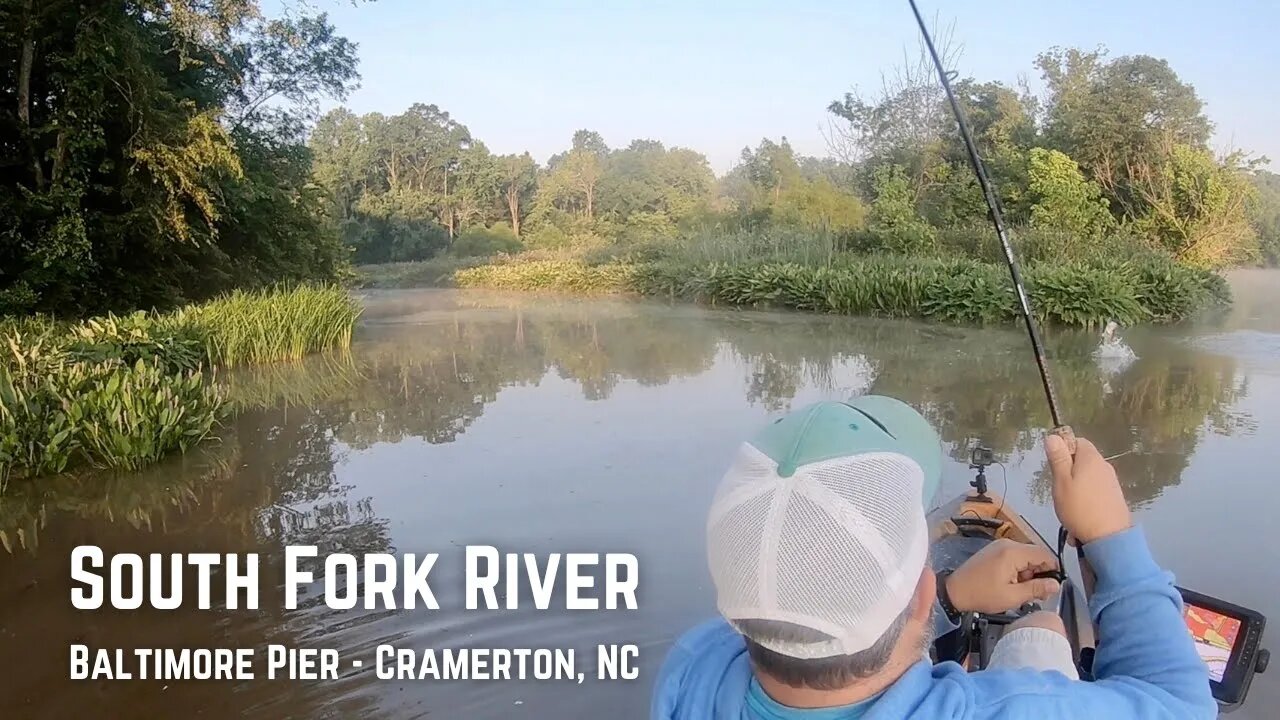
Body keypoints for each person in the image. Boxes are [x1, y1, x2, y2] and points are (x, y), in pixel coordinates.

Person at [652, 396, 1215, 720]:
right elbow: (1180, 702)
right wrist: (1109, 532)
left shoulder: (693, 668)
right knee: (1044, 623)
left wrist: (948, 597)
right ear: (917, 595)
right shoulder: (1014, 708)